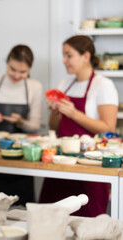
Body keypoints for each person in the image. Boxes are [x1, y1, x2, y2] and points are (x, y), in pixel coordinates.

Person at [40, 35, 118, 217]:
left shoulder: (103, 85)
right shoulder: (64, 85)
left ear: (86, 56)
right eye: (63, 55)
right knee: (50, 220)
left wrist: (74, 113)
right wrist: (55, 113)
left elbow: (108, 128)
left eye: (69, 55)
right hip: (60, 164)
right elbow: (54, 127)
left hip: (89, 166)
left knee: (86, 223)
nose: (63, 60)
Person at [0, 45, 43, 206]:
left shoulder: (34, 87)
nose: (17, 75)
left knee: (22, 208)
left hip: (22, 158)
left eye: (23, 72)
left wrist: (21, 122)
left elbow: (35, 127)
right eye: (13, 69)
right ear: (7, 62)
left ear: (29, 69)